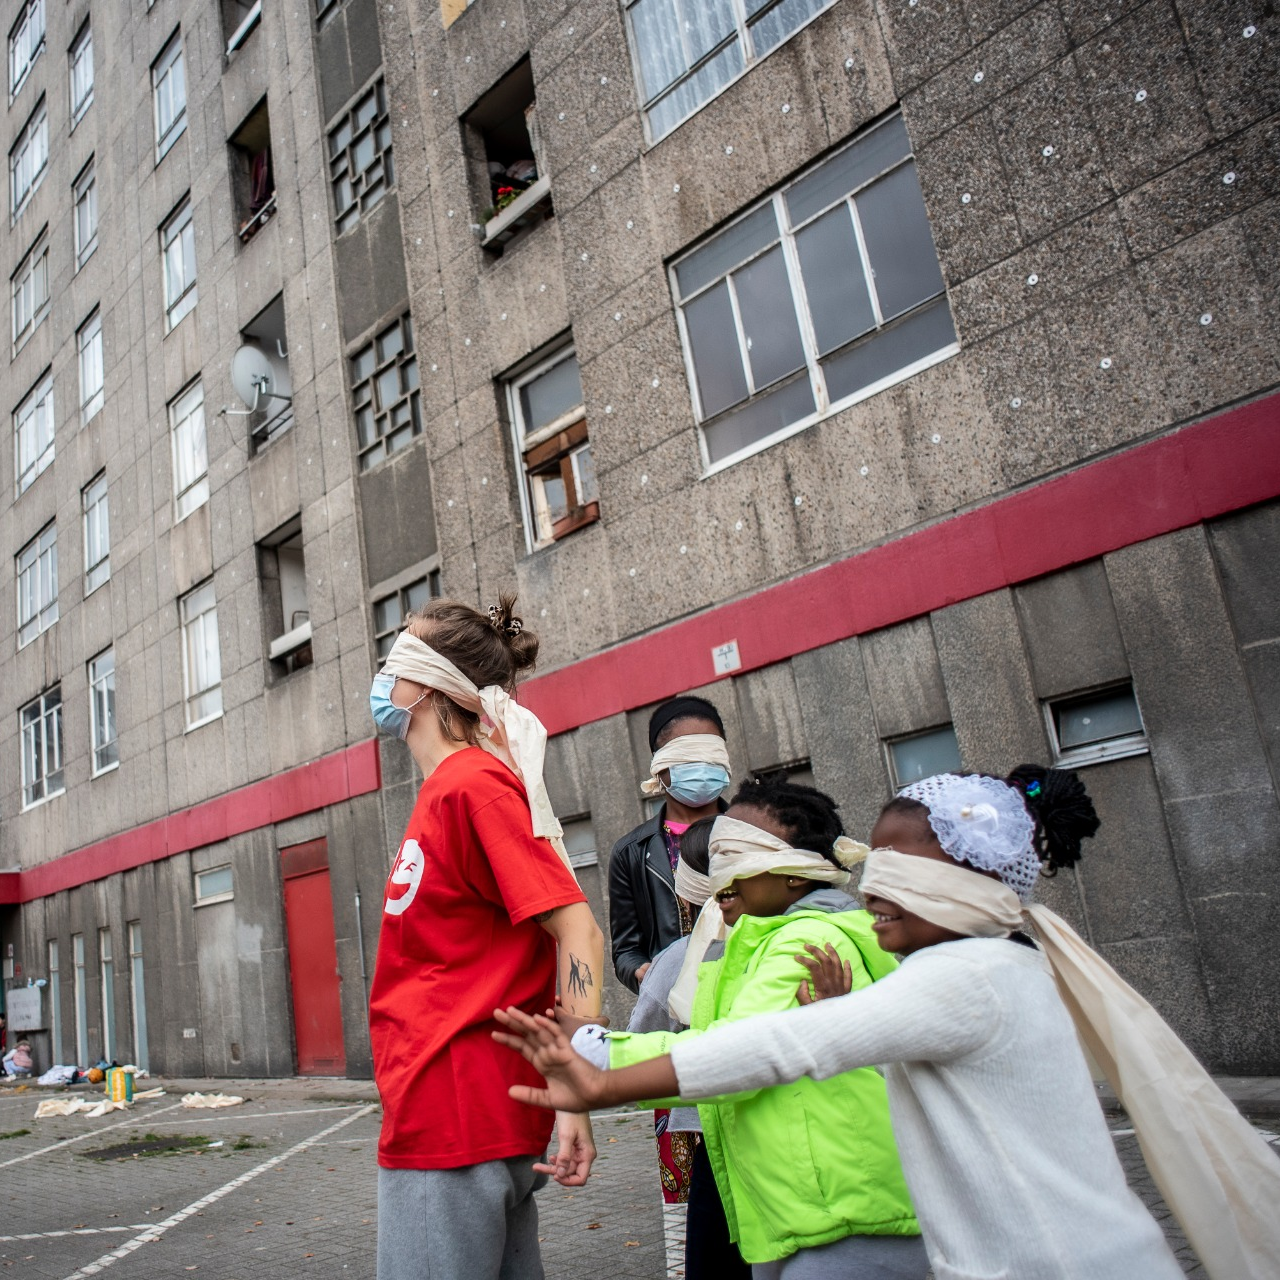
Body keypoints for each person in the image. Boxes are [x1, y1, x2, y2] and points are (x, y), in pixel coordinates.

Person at [495, 767, 1280, 1279]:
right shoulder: (982, 968)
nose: (875, 888)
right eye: (876, 867)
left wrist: (606, 1079)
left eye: (902, 872)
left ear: (964, 887)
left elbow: (781, 1045)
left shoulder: (964, 978)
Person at [576, 780, 926, 1279]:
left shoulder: (810, 942)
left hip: (847, 1212)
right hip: (798, 1209)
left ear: (795, 872)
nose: (723, 877)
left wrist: (596, 1051)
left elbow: (733, 1052)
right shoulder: (751, 946)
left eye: (740, 855)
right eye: (717, 856)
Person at [368, 594, 605, 1280]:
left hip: (456, 1116)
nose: (383, 677)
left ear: (431, 683)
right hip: (449, 1112)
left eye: (396, 658)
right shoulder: (450, 791)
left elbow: (579, 933)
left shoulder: (473, 786)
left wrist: (576, 1088)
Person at [608, 695, 730, 994]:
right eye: (689, 755)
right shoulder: (631, 853)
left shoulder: (755, 833)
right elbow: (626, 950)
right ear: (658, 765)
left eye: (710, 752)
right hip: (674, 1006)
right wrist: (641, 972)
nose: (701, 765)